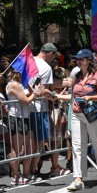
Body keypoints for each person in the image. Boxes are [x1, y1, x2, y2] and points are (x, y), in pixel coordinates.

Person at [56, 49, 97, 191]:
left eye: (82, 59)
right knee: (77, 145)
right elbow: (73, 96)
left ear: (89, 60)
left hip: (94, 114)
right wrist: (56, 97)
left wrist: (90, 97)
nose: (78, 61)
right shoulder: (76, 77)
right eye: (77, 59)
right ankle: (78, 178)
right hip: (77, 113)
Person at [27, 43, 57, 177]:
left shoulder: (28, 61)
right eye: (54, 55)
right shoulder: (46, 67)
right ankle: (32, 171)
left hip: (24, 107)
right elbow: (44, 90)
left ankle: (25, 172)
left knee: (28, 143)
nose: (54, 58)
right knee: (39, 142)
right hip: (39, 108)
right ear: (50, 53)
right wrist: (54, 96)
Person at [4, 69, 36, 185]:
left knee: (29, 147)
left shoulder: (22, 84)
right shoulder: (13, 84)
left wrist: (31, 89)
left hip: (25, 117)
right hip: (16, 118)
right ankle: (15, 176)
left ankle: (26, 173)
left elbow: (29, 95)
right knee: (17, 149)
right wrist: (35, 93)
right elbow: (26, 101)